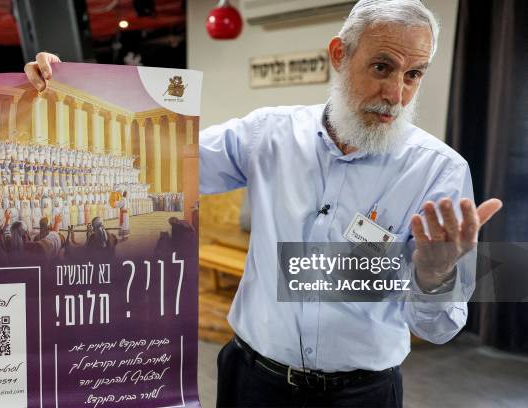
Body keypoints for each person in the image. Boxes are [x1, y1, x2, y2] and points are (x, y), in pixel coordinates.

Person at [25, 1, 503, 405]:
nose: (395, 94)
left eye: (414, 75)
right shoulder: (268, 134)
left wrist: (435, 276)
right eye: (382, 67)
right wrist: (67, 88)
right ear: (339, 55)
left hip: (362, 394)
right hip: (253, 381)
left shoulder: (439, 171)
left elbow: (439, 329)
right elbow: (160, 166)